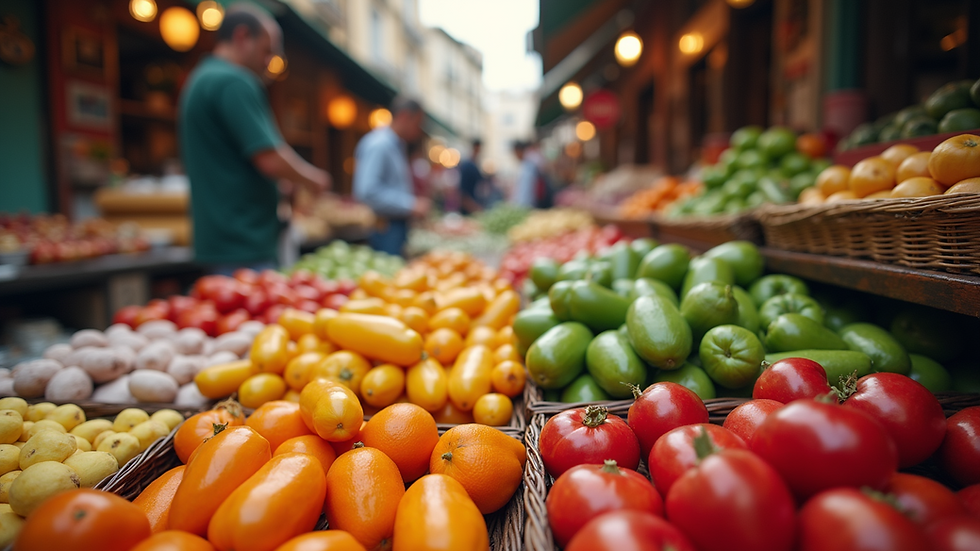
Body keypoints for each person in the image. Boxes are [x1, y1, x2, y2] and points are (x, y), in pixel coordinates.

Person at [179, 4, 329, 274]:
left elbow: (229, 161)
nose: (268, 62)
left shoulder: (202, 78)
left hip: (219, 238)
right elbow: (269, 158)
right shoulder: (233, 81)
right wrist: (312, 179)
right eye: (266, 51)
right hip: (243, 241)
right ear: (242, 36)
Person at [352, 96, 431, 255]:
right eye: (417, 123)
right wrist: (411, 205)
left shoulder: (396, 145)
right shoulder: (380, 145)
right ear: (404, 117)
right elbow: (367, 191)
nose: (418, 130)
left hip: (394, 226)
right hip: (385, 228)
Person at [511, 140, 552, 208]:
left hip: (529, 205)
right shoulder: (528, 164)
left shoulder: (529, 166)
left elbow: (526, 191)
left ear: (519, 151)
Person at [458, 139, 485, 215]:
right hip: (468, 209)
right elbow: (463, 192)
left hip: (472, 207)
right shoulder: (468, 166)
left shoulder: (474, 165)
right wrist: (474, 207)